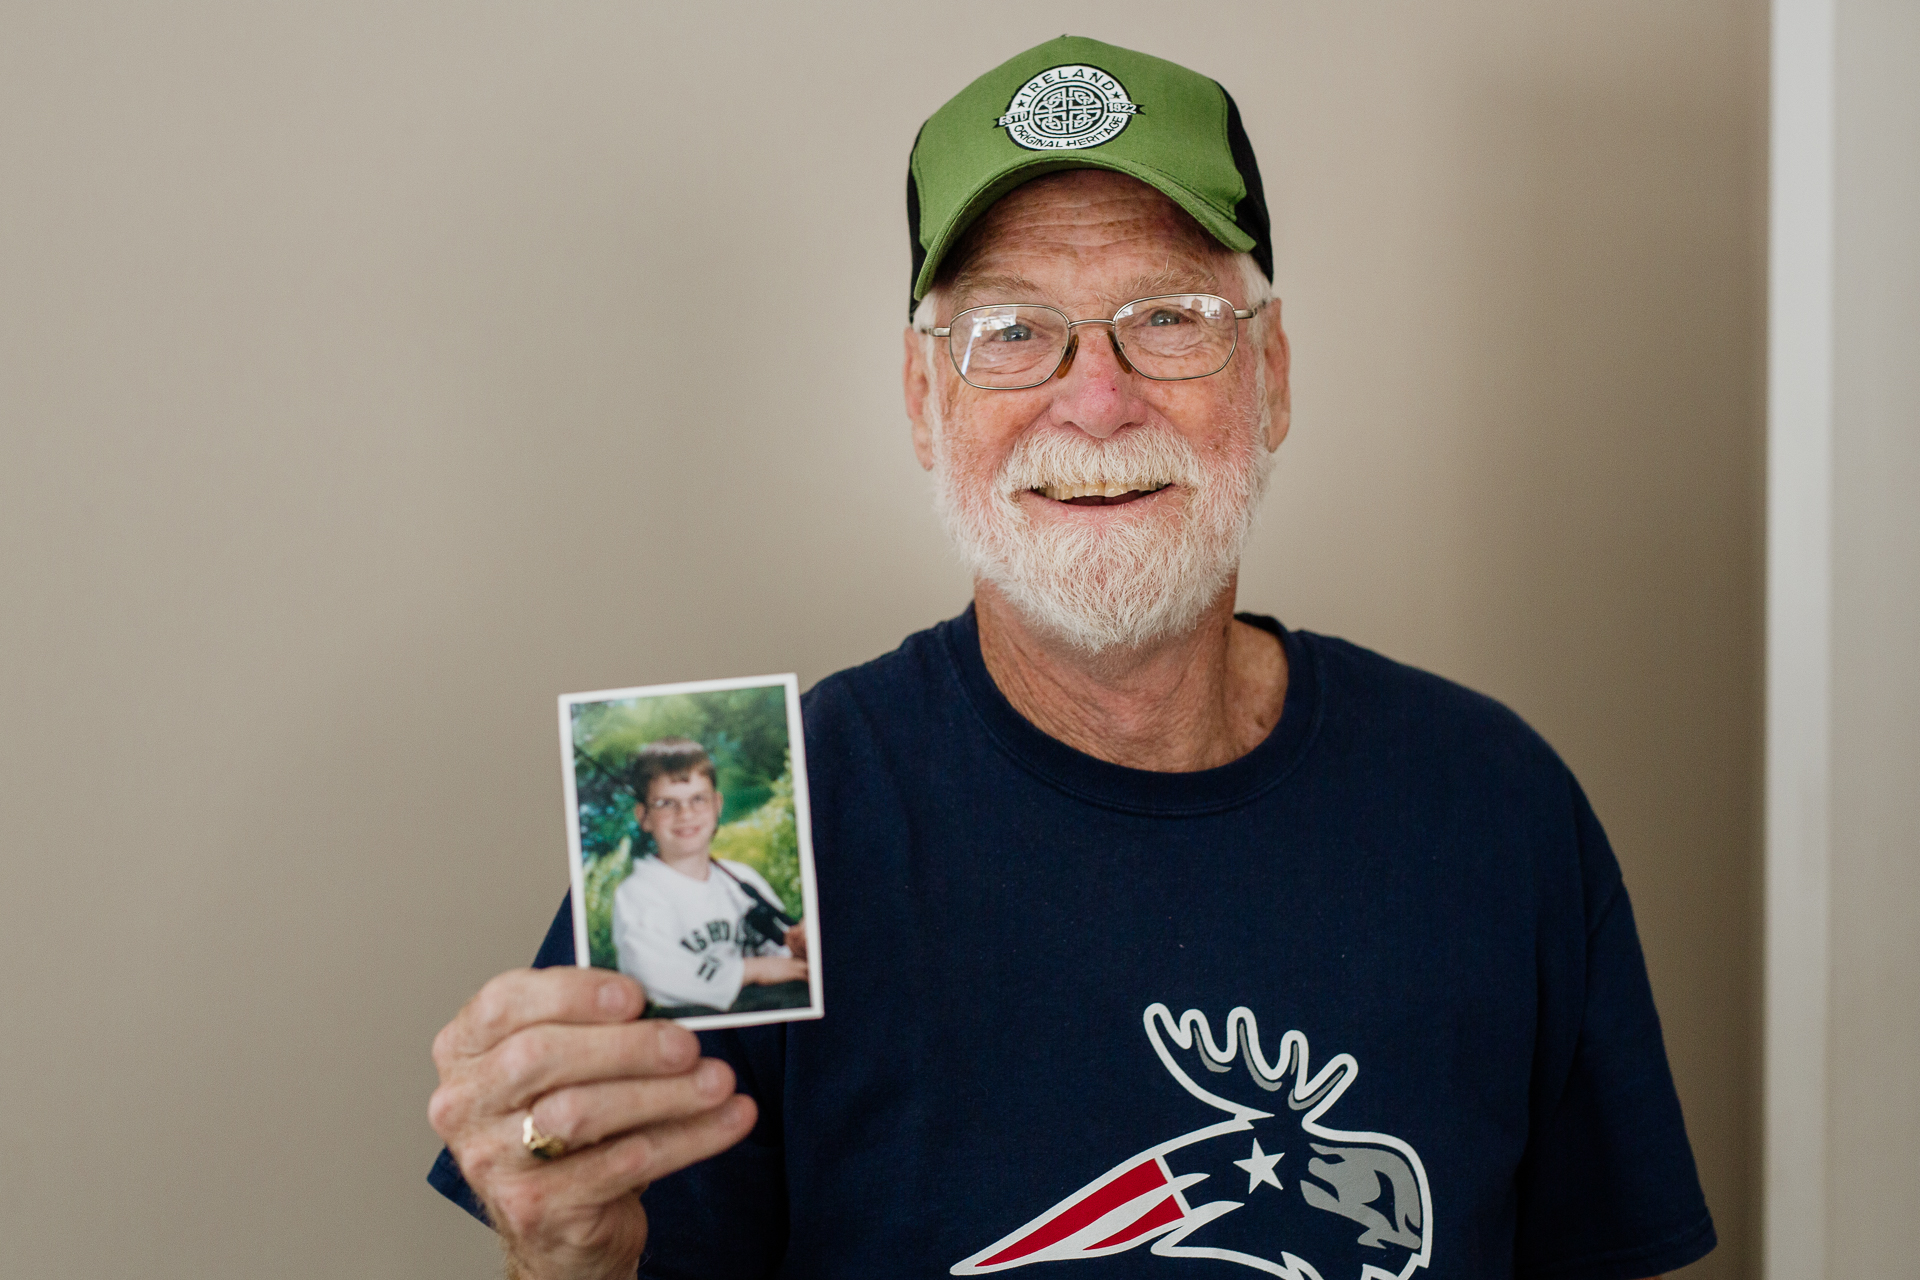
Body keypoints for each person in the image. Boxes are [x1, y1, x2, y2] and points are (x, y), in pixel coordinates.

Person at [427, 35, 1714, 1280]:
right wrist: (564, 1254)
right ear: (926, 405)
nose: (1096, 399)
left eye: (1169, 317)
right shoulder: (766, 823)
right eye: (1011, 331)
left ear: (1269, 373)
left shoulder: (1496, 802)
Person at [609, 738, 808, 1016]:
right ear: (644, 817)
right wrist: (752, 971)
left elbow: (783, 961)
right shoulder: (637, 894)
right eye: (667, 803)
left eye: (698, 799)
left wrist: (798, 946)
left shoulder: (742, 878)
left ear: (717, 805)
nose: (685, 814)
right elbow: (654, 976)